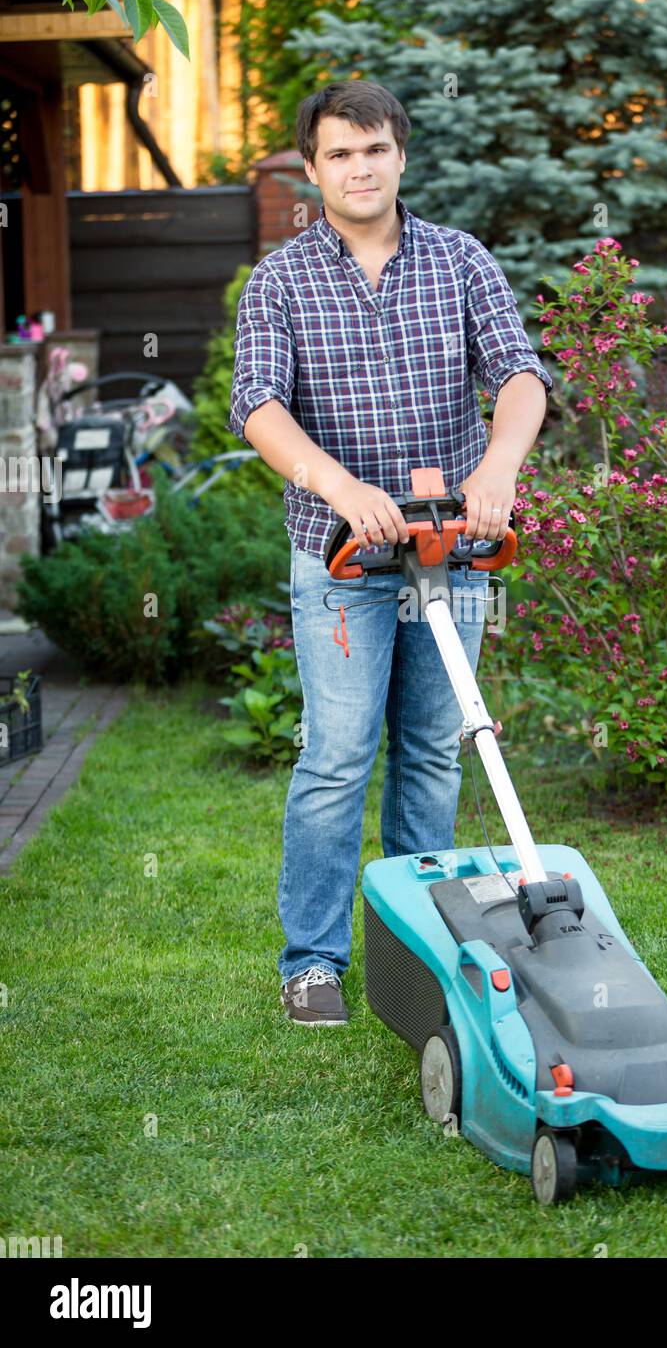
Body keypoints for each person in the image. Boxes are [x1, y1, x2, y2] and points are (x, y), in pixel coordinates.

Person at [228, 80, 552, 1026]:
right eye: (338, 153)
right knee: (335, 758)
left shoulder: (458, 261)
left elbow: (520, 376)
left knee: (430, 755)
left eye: (373, 149)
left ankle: (425, 942)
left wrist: (497, 466)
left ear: (400, 155)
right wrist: (342, 488)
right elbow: (257, 405)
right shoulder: (281, 282)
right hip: (338, 559)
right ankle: (313, 962)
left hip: (449, 548)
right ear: (314, 167)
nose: (358, 168)